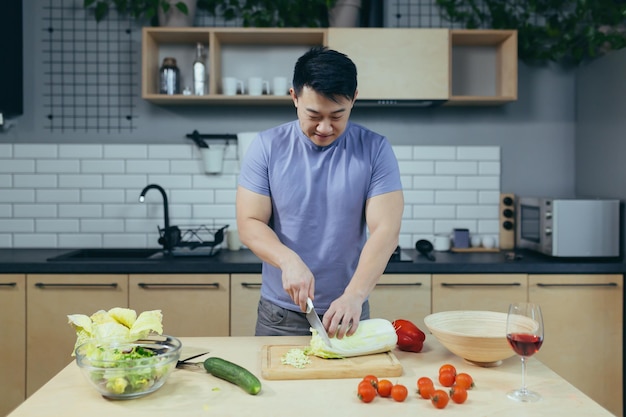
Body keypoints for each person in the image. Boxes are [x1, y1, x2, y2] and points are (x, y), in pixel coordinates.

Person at [236, 46, 403, 339]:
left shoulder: (376, 149)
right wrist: (288, 260)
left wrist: (355, 294)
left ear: (354, 100)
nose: (325, 127)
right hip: (280, 315)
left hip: (348, 311)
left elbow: (385, 231)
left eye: (338, 115)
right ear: (294, 98)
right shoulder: (266, 147)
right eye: (313, 114)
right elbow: (250, 223)